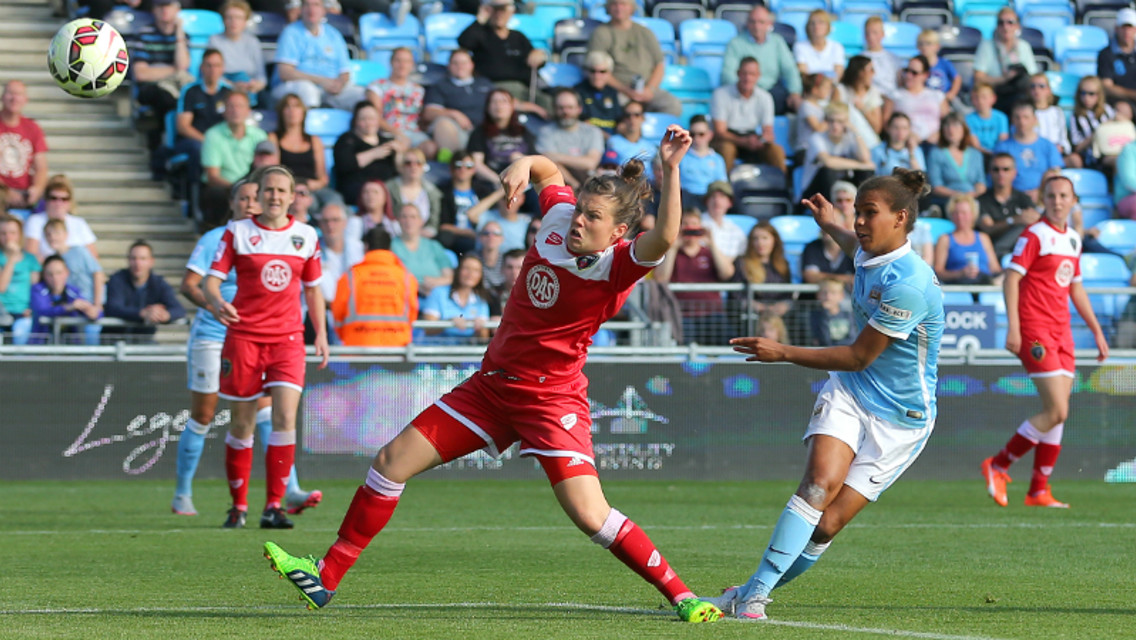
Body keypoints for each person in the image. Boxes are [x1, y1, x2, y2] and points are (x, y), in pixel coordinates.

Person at [263, 126, 724, 625]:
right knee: (391, 461)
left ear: (616, 232)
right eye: (581, 208)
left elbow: (666, 236)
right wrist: (526, 162)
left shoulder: (617, 266)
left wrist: (672, 169)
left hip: (551, 400)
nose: (579, 220)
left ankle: (684, 596)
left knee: (591, 516)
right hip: (492, 386)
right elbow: (550, 173)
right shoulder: (559, 217)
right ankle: (325, 577)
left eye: (593, 217)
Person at [706, 168, 943, 621]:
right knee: (817, 484)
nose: (859, 222)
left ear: (900, 218)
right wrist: (830, 222)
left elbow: (858, 356)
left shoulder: (909, 284)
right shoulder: (870, 252)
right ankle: (755, 599)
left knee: (829, 523)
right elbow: (854, 248)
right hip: (852, 395)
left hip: (901, 420)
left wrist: (783, 351)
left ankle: (749, 589)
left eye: (868, 214)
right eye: (856, 212)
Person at [203, 165, 330, 530]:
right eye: (268, 190)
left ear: (293, 197)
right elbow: (212, 282)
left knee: (285, 418)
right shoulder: (238, 232)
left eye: (281, 190)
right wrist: (215, 302)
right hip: (243, 337)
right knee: (241, 422)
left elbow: (313, 289)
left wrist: (319, 333)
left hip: (288, 340)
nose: (274, 196)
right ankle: (238, 506)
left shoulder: (306, 236)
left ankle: (273, 506)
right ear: (258, 196)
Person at [980, 175, 1108, 509]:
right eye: (1051, 196)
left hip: (1062, 331)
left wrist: (1095, 330)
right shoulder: (1034, 234)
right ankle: (998, 465)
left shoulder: (1074, 240)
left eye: (1064, 195)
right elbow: (1011, 278)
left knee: (1058, 415)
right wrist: (1014, 327)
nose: (1057, 201)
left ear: (1074, 199)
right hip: (1036, 330)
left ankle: (1038, 490)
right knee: (1057, 409)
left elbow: (1075, 287)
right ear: (1043, 199)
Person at [654, 208, 737, 345]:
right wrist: (673, 248)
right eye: (685, 224)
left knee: (730, 344)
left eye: (694, 223)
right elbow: (661, 278)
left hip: (712, 313)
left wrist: (711, 244)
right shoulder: (672, 254)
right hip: (682, 315)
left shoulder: (709, 252)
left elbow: (727, 273)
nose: (690, 227)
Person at [586, 0, 683, 116]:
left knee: (672, 105)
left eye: (623, 4)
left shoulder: (645, 33)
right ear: (608, 8)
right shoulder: (600, 33)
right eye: (614, 4)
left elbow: (659, 65)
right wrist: (624, 89)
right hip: (616, 90)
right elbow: (597, 69)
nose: (619, 8)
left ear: (632, 8)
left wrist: (650, 89)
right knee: (609, 107)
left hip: (646, 88)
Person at [458, 0, 549, 116]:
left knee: (549, 102)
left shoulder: (518, 37)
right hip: (492, 87)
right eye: (495, 10)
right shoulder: (481, 34)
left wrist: (539, 55)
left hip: (523, 87)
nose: (499, 14)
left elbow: (536, 60)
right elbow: (464, 42)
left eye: (503, 10)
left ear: (511, 12)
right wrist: (480, 19)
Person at [331, 226, 417, 346]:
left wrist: (348, 335)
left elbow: (338, 314)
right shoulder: (406, 277)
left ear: (366, 247)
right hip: (396, 348)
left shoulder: (350, 277)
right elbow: (412, 313)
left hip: (357, 347)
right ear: (390, 248)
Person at [129, 0, 193, 163]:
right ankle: (165, 149)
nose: (164, 10)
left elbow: (183, 65)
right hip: (151, 90)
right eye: (160, 6)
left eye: (168, 6)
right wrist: (173, 70)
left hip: (173, 87)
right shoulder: (144, 33)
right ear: (154, 10)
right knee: (166, 98)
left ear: (177, 10)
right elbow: (141, 74)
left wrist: (179, 33)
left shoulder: (183, 35)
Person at [272, 0, 365, 109]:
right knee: (307, 90)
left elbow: (345, 72)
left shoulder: (334, 34)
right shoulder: (290, 33)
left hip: (331, 88)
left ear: (324, 10)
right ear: (301, 9)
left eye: (316, 5)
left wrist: (339, 84)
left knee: (362, 95)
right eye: (307, 5)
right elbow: (285, 73)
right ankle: (310, 124)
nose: (311, 9)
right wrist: (322, 81)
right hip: (298, 86)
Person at [200, 91, 268, 228]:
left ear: (248, 111)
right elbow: (212, 176)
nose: (235, 111)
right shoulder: (212, 135)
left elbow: (266, 168)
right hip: (224, 188)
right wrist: (237, 189)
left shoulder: (260, 135)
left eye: (240, 106)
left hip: (253, 186)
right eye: (231, 106)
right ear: (224, 111)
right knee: (216, 194)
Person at [721, 5, 803, 114]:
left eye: (761, 22)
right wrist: (746, 89)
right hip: (744, 91)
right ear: (747, 23)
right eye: (752, 22)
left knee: (797, 104)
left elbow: (790, 70)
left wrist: (795, 92)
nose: (756, 26)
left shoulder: (777, 42)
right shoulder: (735, 43)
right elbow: (728, 74)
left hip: (771, 91)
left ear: (769, 24)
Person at [710, 57, 786, 173]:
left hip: (752, 137)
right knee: (727, 149)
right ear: (738, 74)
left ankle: (782, 187)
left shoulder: (765, 97)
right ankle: (725, 188)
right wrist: (744, 141)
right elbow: (720, 131)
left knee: (776, 151)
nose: (748, 78)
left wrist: (762, 140)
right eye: (744, 73)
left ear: (758, 76)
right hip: (727, 138)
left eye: (752, 74)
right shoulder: (721, 94)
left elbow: (768, 131)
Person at [104, 240, 187, 339]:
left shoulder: (158, 283)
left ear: (151, 261)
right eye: (133, 258)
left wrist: (164, 315)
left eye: (142, 259)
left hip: (144, 341)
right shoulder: (117, 279)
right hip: (114, 341)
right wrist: (142, 313)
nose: (137, 263)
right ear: (128, 260)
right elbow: (113, 308)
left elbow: (179, 309)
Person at [420, 49, 495, 158]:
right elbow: (429, 113)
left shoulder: (485, 84)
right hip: (459, 134)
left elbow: (504, 101)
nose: (460, 66)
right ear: (449, 66)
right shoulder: (440, 86)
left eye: (464, 63)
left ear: (471, 65)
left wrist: (527, 105)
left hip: (485, 132)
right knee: (443, 123)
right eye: (455, 63)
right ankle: (452, 164)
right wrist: (454, 114)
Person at [175, 49, 233, 187]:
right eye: (209, 65)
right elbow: (183, 126)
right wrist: (208, 141)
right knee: (199, 149)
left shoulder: (229, 91)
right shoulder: (190, 91)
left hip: (222, 142)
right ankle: (195, 194)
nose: (213, 69)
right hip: (194, 141)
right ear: (201, 67)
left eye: (217, 65)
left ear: (223, 68)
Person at [800, 102, 874, 204]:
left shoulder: (850, 137)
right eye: (831, 121)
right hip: (814, 190)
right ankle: (832, 212)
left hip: (843, 185)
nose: (835, 125)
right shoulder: (816, 138)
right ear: (825, 121)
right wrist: (861, 165)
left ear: (847, 123)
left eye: (840, 121)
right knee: (828, 171)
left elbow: (865, 158)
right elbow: (828, 162)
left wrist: (856, 133)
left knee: (866, 173)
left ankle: (864, 207)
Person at [334, 102, 404, 207]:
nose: (368, 123)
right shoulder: (346, 140)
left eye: (372, 118)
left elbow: (400, 171)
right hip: (357, 191)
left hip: (387, 190)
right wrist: (374, 153)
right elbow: (345, 165)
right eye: (363, 119)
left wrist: (399, 153)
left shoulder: (387, 142)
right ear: (356, 121)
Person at [366, 47, 432, 156]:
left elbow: (422, 117)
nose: (402, 65)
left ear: (412, 65)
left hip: (414, 133)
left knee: (430, 148)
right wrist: (397, 134)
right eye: (398, 61)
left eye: (406, 61)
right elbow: (374, 116)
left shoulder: (418, 89)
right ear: (391, 62)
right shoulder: (377, 86)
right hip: (388, 132)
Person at [535, 89, 605, 189]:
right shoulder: (545, 132)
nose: (565, 112)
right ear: (554, 109)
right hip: (559, 184)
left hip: (590, 182)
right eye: (561, 108)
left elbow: (591, 163)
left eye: (570, 107)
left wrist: (556, 157)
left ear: (579, 109)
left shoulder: (593, 131)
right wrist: (575, 184)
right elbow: (550, 165)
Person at [268, 94, 331, 205]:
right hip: (286, 189)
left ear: (303, 112)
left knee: (333, 201)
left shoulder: (314, 140)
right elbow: (274, 172)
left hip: (311, 188)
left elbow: (323, 177)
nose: (292, 110)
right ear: (282, 112)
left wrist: (312, 185)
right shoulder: (273, 138)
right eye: (287, 106)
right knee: (307, 203)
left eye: (296, 106)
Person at [994, 103, 1064, 202]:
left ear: (1035, 119)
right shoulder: (1002, 147)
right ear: (1012, 120)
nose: (1022, 122)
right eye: (1017, 117)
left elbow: (1056, 173)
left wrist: (1040, 192)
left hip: (1042, 198)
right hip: (1011, 199)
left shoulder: (1047, 145)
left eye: (1026, 117)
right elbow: (996, 175)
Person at [974, 7, 1037, 114]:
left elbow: (1033, 76)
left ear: (1017, 26)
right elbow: (978, 78)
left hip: (1019, 94)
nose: (1005, 26)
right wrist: (1003, 79)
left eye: (1010, 22)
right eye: (1001, 23)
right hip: (996, 94)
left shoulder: (1024, 46)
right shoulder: (987, 46)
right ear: (997, 26)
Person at [437, 152, 502, 255]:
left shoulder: (483, 191)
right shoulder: (443, 192)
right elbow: (442, 226)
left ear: (474, 170)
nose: (463, 170)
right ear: (451, 168)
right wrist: (467, 233)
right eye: (458, 165)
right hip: (455, 238)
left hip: (482, 237)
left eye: (468, 166)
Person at [468, 89, 537, 186]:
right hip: (492, 183)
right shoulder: (479, 133)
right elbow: (477, 165)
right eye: (494, 102)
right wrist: (499, 182)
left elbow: (535, 161)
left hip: (523, 183)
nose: (499, 106)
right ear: (487, 107)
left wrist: (520, 160)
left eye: (504, 101)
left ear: (512, 106)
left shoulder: (524, 131)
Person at [420, 253, 493, 344]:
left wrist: (480, 328)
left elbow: (483, 339)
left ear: (480, 276)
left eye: (476, 270)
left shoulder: (481, 300)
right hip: (436, 351)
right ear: (458, 271)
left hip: (466, 353)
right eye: (466, 268)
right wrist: (449, 322)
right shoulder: (438, 292)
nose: (470, 274)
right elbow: (428, 329)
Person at [977, 153, 1040, 256]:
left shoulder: (1024, 198)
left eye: (1006, 169)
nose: (1001, 174)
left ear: (1014, 173)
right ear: (990, 173)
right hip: (992, 253)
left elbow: (1036, 219)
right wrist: (1014, 220)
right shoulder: (982, 200)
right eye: (996, 169)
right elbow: (988, 228)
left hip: (1022, 251)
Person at [42, 219, 104, 324]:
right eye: (48, 234)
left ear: (66, 234)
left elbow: (97, 274)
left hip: (89, 304)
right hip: (71, 306)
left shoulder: (79, 251)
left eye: (56, 233)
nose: (52, 237)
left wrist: (97, 305)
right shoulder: (51, 260)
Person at [23, 175, 98, 260]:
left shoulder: (79, 223)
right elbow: (31, 255)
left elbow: (93, 257)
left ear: (70, 201)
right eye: (53, 198)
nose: (59, 203)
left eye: (64, 199)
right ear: (46, 200)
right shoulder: (35, 221)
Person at [29, 255, 100, 343]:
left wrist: (93, 312)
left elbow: (93, 311)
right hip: (42, 348)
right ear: (44, 275)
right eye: (50, 274)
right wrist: (68, 307)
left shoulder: (74, 292)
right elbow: (42, 311)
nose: (55, 278)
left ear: (67, 272)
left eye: (59, 273)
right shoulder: (37, 290)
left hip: (70, 347)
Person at [933, 194, 1002, 285]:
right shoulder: (945, 239)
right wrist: (960, 274)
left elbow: (995, 268)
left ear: (973, 215)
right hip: (959, 285)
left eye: (964, 213)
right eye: (956, 213)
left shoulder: (983, 238)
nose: (960, 217)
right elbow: (939, 272)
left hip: (984, 282)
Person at [0, 81, 48, 210]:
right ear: (2, 97)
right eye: (10, 93)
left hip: (24, 194)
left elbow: (41, 167)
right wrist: (5, 192)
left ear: (25, 99)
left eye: (19, 94)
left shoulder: (32, 128)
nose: (14, 98)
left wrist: (37, 189)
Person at [206, 0, 268, 95]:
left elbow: (261, 77)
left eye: (238, 18)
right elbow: (210, 73)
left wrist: (256, 85)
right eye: (230, 17)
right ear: (223, 20)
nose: (234, 22)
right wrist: (232, 85)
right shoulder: (214, 41)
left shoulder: (253, 42)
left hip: (249, 88)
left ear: (245, 21)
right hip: (223, 89)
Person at [733, 221, 793, 319]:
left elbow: (788, 294)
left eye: (765, 238)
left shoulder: (783, 264)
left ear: (774, 240)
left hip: (778, 318)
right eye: (755, 239)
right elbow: (736, 295)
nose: (760, 243)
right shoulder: (741, 263)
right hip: (751, 317)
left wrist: (784, 306)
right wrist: (757, 306)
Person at [391, 203, 453, 297]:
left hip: (434, 296)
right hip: (403, 296)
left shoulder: (434, 246)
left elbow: (449, 277)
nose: (408, 221)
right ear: (398, 221)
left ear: (421, 221)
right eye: (404, 217)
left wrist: (435, 282)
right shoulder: (391, 247)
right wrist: (417, 286)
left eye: (413, 217)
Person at [800, 181, 856, 286]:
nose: (844, 205)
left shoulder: (855, 245)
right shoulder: (813, 247)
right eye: (839, 200)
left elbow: (858, 278)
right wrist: (845, 279)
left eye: (848, 200)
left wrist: (823, 277)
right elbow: (810, 276)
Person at [928, 112, 986, 208]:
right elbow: (936, 187)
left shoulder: (976, 154)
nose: (951, 130)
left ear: (964, 129)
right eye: (947, 125)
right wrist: (959, 196)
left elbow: (981, 182)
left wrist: (973, 194)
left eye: (955, 125)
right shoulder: (936, 153)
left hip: (972, 202)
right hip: (947, 202)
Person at [0, 214, 41, 344]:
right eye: (3, 233)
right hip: (2, 312)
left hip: (23, 313)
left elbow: (35, 288)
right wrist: (11, 259)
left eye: (12, 233)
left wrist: (32, 308)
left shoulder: (30, 259)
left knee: (21, 333)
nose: (8, 237)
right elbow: (1, 287)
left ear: (19, 235)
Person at [890, 55, 948, 145]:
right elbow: (887, 123)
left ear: (925, 75)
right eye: (907, 71)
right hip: (906, 143)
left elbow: (947, 121)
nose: (909, 75)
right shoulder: (896, 95)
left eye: (914, 73)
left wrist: (939, 134)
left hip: (935, 143)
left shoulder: (937, 95)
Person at [386, 148, 443, 238]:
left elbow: (433, 223)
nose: (413, 166)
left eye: (418, 163)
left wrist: (420, 234)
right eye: (408, 163)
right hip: (394, 236)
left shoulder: (433, 192)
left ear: (423, 166)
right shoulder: (388, 188)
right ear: (401, 167)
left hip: (424, 238)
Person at [318, 202, 364, 308]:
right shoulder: (313, 252)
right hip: (326, 311)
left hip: (356, 309)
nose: (330, 225)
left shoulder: (359, 250)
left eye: (335, 220)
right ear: (320, 224)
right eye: (325, 221)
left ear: (345, 223)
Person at [677, 116, 727, 205]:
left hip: (709, 199)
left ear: (710, 135)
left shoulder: (718, 159)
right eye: (692, 134)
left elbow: (721, 185)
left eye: (701, 134)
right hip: (685, 198)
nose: (696, 138)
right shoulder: (680, 156)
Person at [835, 56, 884, 148]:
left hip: (868, 142)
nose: (874, 73)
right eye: (871, 69)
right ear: (859, 72)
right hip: (845, 140)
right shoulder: (840, 90)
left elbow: (877, 128)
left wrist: (863, 109)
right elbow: (834, 119)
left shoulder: (873, 93)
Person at [1069, 76, 1116, 170]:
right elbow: (1077, 148)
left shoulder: (1108, 110)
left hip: (1111, 149)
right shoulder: (1076, 117)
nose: (1086, 97)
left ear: (1099, 95)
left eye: (1091, 94)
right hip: (1092, 158)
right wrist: (1097, 133)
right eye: (1083, 93)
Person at [1029, 73, 1076, 166]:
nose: (1036, 90)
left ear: (1049, 90)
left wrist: (1061, 147)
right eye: (1033, 86)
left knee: (1075, 160)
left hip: (1056, 153)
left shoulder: (1057, 112)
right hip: (1035, 153)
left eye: (1041, 86)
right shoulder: (1026, 112)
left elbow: (1063, 139)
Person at [605, 102, 657, 182]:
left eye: (637, 115)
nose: (632, 119)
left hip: (647, 186)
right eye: (628, 115)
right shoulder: (613, 142)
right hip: (622, 185)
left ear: (642, 118)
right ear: (623, 119)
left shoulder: (651, 146)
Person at [575, 51, 623, 135]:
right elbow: (583, 122)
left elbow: (619, 120)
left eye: (602, 71)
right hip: (589, 137)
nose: (597, 76)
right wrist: (605, 136)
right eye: (593, 71)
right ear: (587, 71)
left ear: (609, 73)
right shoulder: (578, 91)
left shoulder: (613, 92)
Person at [1097, 8, 1136, 104]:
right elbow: (1107, 87)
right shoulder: (1106, 54)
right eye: (1123, 27)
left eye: (1130, 27)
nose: (1127, 32)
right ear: (1116, 29)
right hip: (1118, 102)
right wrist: (1133, 94)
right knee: (1123, 109)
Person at [793, 10, 845, 80]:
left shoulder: (837, 47)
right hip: (810, 88)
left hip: (831, 87)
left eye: (821, 22)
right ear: (807, 27)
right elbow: (803, 75)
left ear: (828, 26)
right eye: (812, 23)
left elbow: (839, 74)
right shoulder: (800, 47)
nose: (816, 26)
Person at [699, 181, 744, 259]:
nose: (717, 201)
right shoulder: (696, 224)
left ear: (730, 203)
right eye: (713, 196)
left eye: (722, 197)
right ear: (706, 201)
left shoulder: (736, 231)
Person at [965, 83, 1009, 159]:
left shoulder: (1001, 117)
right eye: (976, 98)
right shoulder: (968, 119)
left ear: (993, 98)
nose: (980, 101)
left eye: (984, 97)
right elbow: (975, 144)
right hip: (978, 155)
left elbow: (1002, 140)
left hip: (998, 154)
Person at [861, 16, 902, 97]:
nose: (871, 37)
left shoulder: (893, 58)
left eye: (875, 33)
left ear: (882, 34)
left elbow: (899, 81)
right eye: (867, 33)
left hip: (891, 97)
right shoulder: (860, 59)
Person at [918, 28, 960, 107]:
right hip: (924, 100)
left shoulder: (944, 63)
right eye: (921, 44)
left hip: (944, 99)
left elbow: (957, 79)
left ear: (937, 46)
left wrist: (951, 94)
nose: (924, 47)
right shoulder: (916, 64)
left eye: (928, 43)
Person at [808, 277, 854, 346]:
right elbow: (824, 340)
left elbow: (852, 338)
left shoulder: (849, 315)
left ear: (841, 295)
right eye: (824, 293)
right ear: (818, 295)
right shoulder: (815, 315)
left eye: (833, 293)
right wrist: (825, 313)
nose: (828, 297)